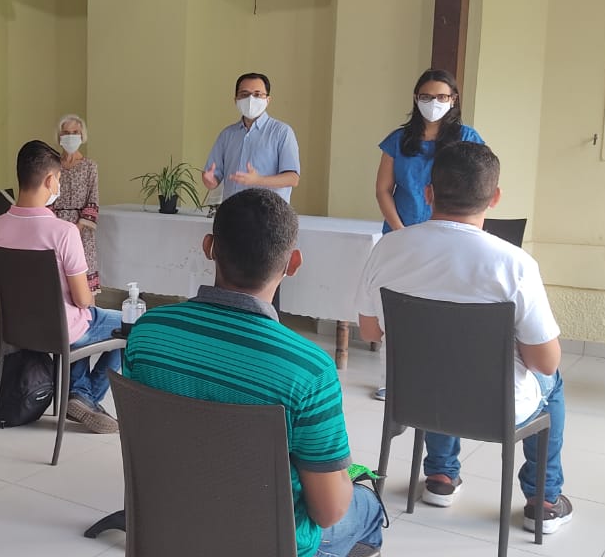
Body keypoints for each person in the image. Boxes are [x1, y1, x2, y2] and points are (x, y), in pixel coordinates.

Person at [126, 189, 383, 557]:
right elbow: (328, 512)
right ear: (293, 263)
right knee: (368, 507)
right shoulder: (308, 369)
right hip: (271, 545)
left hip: (171, 527)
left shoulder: (149, 333)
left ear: (209, 246)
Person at [355, 142, 570, 534]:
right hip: (495, 407)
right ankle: (544, 499)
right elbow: (546, 362)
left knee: (436, 365)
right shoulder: (514, 264)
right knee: (552, 384)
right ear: (495, 198)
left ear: (428, 193)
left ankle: (439, 476)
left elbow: (370, 332)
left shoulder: (388, 248)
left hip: (412, 397)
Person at [0, 140, 121, 434]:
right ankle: (85, 395)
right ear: (49, 180)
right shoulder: (64, 232)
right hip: (62, 330)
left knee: (74, 316)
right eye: (58, 179)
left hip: (17, 329)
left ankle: (79, 390)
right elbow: (84, 299)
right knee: (133, 323)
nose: (58, 184)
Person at [371, 68, 484, 401]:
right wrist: (402, 232)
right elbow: (383, 190)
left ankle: (443, 376)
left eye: (441, 97)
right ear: (415, 99)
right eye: (426, 97)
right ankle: (391, 379)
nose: (433, 103)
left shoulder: (467, 138)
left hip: (452, 237)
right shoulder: (398, 139)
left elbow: (478, 188)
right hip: (401, 234)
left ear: (453, 100)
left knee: (445, 307)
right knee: (397, 308)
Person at [201, 72, 301, 204]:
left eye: (257, 94)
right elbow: (213, 181)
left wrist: (258, 180)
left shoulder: (282, 132)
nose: (251, 99)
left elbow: (292, 178)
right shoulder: (227, 135)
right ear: (236, 100)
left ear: (268, 100)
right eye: (244, 94)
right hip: (232, 213)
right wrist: (208, 180)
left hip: (269, 216)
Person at [48, 114, 100, 293]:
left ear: (82, 135)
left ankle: (88, 316)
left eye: (75, 132)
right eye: (66, 132)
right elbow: (47, 195)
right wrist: (54, 224)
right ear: (59, 136)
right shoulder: (52, 165)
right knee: (58, 274)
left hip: (82, 229)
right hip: (57, 226)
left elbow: (93, 200)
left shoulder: (89, 166)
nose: (70, 136)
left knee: (83, 279)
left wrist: (78, 227)